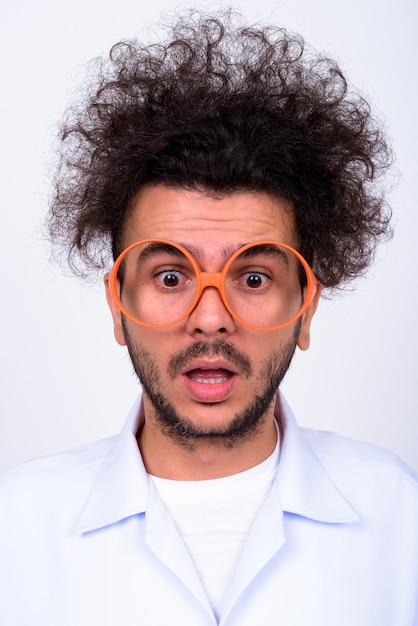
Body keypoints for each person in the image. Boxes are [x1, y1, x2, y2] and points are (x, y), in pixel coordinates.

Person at [0, 9, 417, 626]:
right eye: (171, 277)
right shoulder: (16, 525)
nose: (211, 319)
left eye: (253, 278)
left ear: (305, 310)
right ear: (118, 306)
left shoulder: (400, 515)